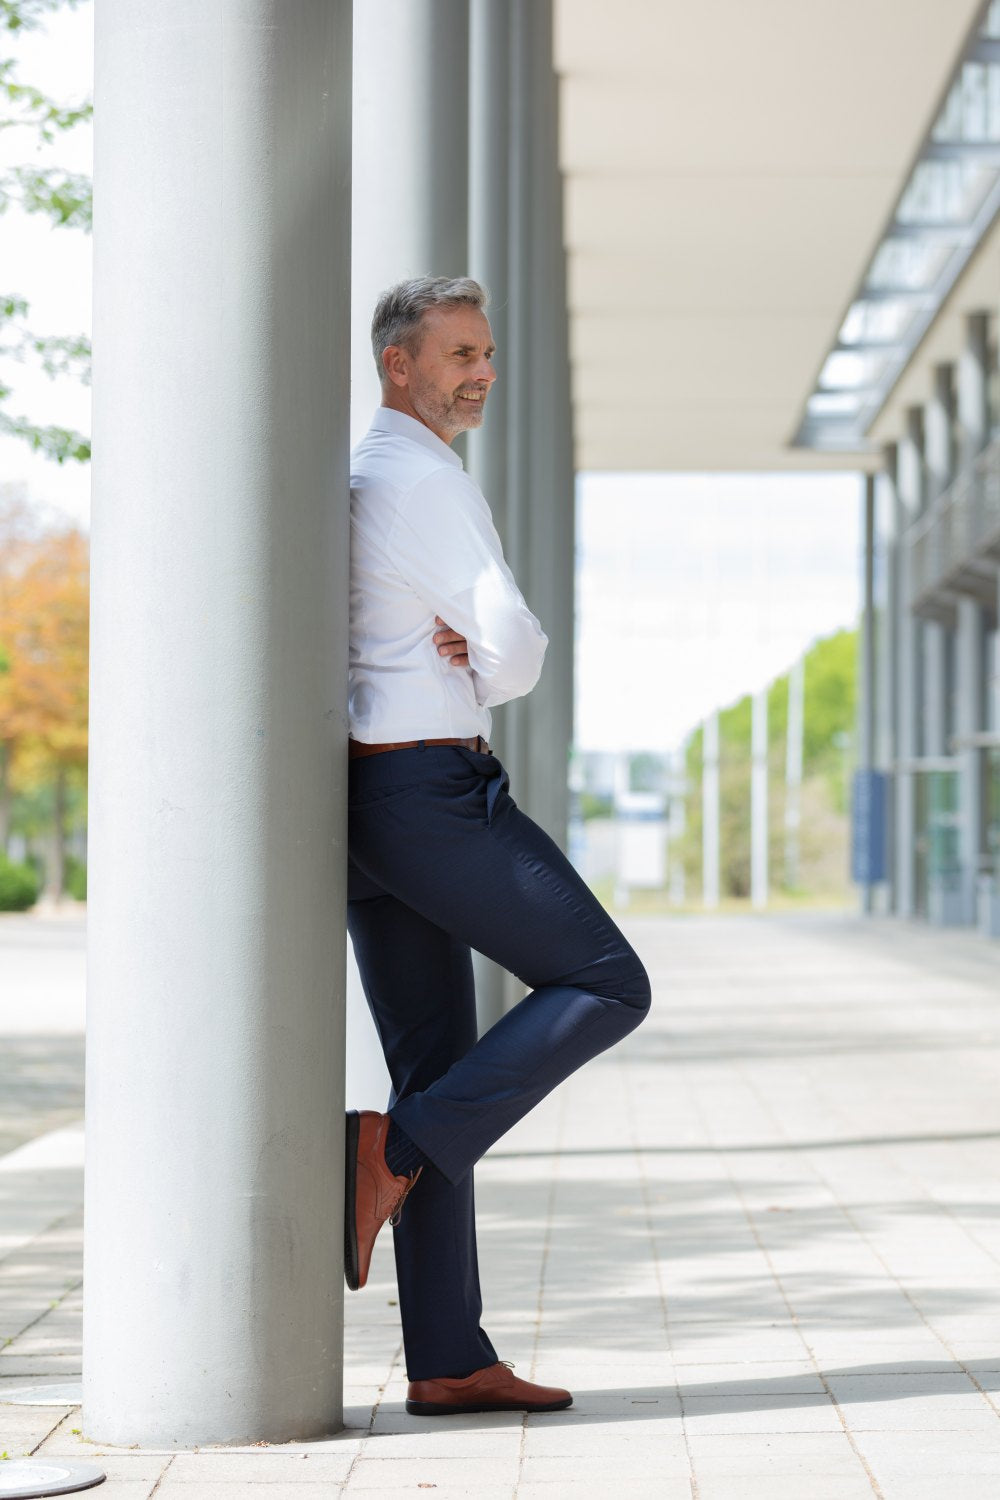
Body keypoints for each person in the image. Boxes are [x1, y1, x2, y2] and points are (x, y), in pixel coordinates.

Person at [345, 275, 651, 1417]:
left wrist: (459, 652)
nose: (479, 371)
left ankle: (446, 1358)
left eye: (486, 353)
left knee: (437, 1062)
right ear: (399, 366)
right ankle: (394, 1146)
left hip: (371, 802)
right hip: (431, 789)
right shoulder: (420, 481)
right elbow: (514, 646)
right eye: (460, 353)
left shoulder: (375, 474)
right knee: (607, 981)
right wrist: (477, 661)